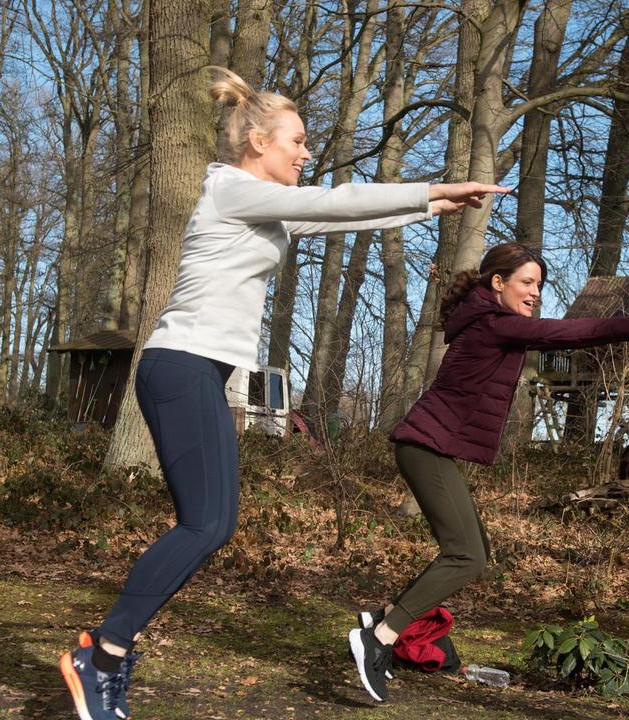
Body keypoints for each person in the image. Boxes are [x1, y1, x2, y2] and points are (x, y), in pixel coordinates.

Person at [58, 66, 508, 720]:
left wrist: (431, 205)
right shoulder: (231, 190)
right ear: (256, 143)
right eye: (295, 141)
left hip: (193, 372)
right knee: (207, 524)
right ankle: (101, 655)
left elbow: (336, 221)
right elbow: (331, 202)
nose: (305, 153)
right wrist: (433, 185)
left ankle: (108, 652)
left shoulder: (262, 213)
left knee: (210, 526)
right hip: (180, 365)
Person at [347, 242, 629, 702]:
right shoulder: (495, 324)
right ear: (498, 283)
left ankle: (387, 617)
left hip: (428, 448)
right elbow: (577, 331)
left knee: (476, 548)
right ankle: (380, 637)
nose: (535, 293)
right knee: (465, 556)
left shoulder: (486, 320)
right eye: (527, 283)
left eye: (539, 285)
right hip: (424, 447)